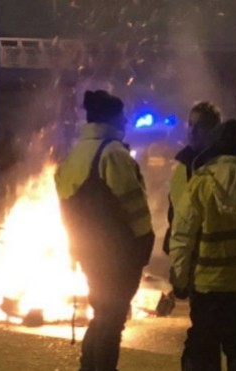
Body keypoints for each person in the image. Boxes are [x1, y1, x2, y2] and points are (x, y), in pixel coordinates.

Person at [55, 90, 154, 370]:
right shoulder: (112, 153)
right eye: (122, 115)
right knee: (112, 320)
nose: (125, 121)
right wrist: (144, 241)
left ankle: (88, 367)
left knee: (102, 315)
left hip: (88, 251)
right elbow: (133, 204)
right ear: (111, 117)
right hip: (117, 252)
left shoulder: (75, 154)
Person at [169, 119, 236, 371]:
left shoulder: (200, 184)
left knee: (202, 352)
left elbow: (182, 237)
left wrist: (179, 280)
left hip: (208, 289)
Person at [163, 102, 221, 255]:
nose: (192, 131)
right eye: (190, 125)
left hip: (214, 259)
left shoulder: (223, 167)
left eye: (199, 126)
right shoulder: (181, 168)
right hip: (188, 257)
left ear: (214, 131)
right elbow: (174, 214)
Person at [0, 130, 19, 207]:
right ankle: (4, 208)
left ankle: (10, 207)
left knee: (12, 192)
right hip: (3, 172)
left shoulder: (14, 147)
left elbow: (19, 159)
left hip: (11, 173)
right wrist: (3, 160)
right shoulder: (0, 146)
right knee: (4, 192)